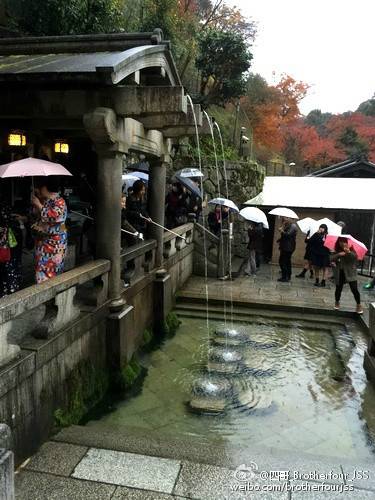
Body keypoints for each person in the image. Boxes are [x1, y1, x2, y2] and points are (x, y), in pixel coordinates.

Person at [31, 178, 67, 284]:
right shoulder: (48, 200)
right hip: (44, 240)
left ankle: (49, 297)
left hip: (55, 243)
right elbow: (41, 216)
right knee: (41, 268)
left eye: (41, 187)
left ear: (45, 188)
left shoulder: (60, 201)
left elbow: (52, 217)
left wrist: (38, 204)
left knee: (51, 270)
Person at [331, 237, 363, 314]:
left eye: (343, 241)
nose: (342, 243)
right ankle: (337, 302)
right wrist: (338, 254)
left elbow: (354, 258)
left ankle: (358, 305)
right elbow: (331, 258)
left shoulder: (351, 249)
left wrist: (348, 252)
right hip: (340, 272)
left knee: (354, 289)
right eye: (340, 242)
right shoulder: (337, 250)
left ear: (347, 242)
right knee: (338, 288)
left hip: (350, 272)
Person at [0, 203, 22, 297]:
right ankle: (11, 288)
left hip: (4, 247)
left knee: (5, 268)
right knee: (8, 267)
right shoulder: (7, 219)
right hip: (6, 246)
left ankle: (7, 290)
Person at [277, 217, 297, 282]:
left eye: (287, 218)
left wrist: (282, 231)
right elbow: (285, 236)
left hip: (288, 247)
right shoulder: (287, 225)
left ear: (291, 219)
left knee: (283, 261)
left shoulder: (293, 226)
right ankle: (287, 276)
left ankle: (285, 277)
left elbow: (288, 235)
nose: (285, 219)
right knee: (286, 261)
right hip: (285, 246)